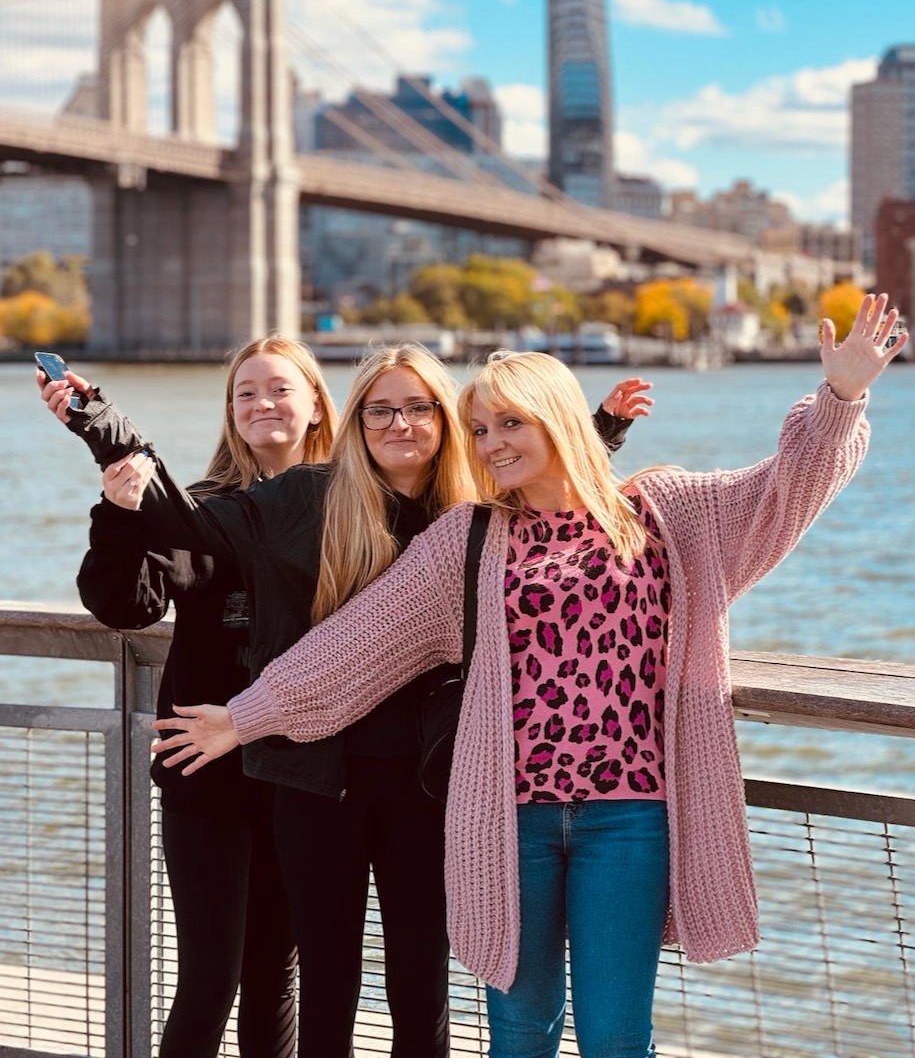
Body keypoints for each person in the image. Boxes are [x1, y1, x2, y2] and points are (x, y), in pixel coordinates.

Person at [150, 294, 905, 1058]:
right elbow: (357, 642)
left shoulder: (670, 514)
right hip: (507, 821)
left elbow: (788, 489)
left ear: (557, 419)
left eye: (509, 423)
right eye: (478, 429)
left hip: (629, 818)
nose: (490, 443)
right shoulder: (471, 537)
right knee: (518, 1033)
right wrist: (245, 716)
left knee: (614, 1036)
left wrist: (840, 397)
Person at [39, 342, 649, 1058]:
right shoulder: (305, 496)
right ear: (355, 421)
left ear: (445, 422)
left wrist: (600, 429)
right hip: (311, 776)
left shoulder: (472, 513)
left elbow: (552, 486)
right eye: (381, 410)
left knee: (419, 991)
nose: (400, 424)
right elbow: (181, 533)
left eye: (420, 408)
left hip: (427, 782)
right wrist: (100, 423)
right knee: (314, 987)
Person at [38, 336, 337, 1058]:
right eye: (245, 393)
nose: (262, 402)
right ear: (230, 413)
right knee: (210, 975)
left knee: (276, 974)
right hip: (204, 767)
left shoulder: (348, 503)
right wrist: (118, 512)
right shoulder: (193, 508)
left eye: (279, 389)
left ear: (316, 404)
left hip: (307, 766)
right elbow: (127, 608)